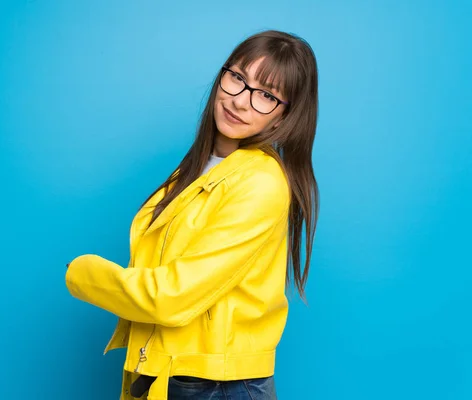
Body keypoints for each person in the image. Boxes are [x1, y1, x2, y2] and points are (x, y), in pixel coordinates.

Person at [65, 29, 319, 400]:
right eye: (237, 78)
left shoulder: (260, 183)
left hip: (218, 386)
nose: (241, 101)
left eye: (266, 95)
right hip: (167, 373)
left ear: (284, 117)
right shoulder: (200, 169)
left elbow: (172, 296)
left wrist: (83, 274)